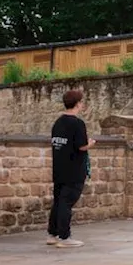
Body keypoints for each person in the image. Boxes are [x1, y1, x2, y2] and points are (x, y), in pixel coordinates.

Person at [48, 89, 95, 248]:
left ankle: (52, 234)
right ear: (77, 104)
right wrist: (91, 144)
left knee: (59, 201)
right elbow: (81, 146)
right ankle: (64, 237)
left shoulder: (58, 122)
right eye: (81, 102)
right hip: (74, 170)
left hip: (59, 169)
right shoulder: (77, 123)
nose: (82, 104)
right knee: (66, 203)